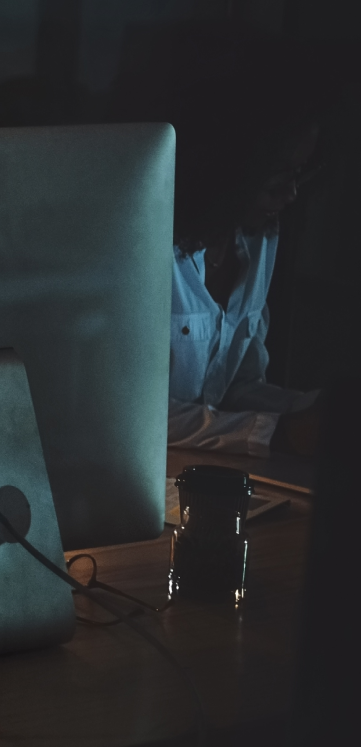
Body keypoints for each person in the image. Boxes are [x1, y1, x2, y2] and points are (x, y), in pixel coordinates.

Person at [118, 33, 332, 459]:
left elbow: (235, 388)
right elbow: (125, 415)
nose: (290, 193)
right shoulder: (139, 253)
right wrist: (278, 433)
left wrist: (312, 410)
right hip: (135, 479)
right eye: (278, 174)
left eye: (299, 174)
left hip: (202, 472)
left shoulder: (258, 241)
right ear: (231, 165)